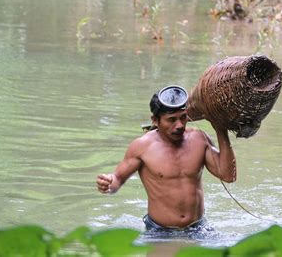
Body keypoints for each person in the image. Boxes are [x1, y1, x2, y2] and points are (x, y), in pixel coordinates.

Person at [96, 85, 236, 236]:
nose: (179, 125)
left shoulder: (199, 139)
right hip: (159, 231)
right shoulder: (142, 146)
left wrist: (221, 129)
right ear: (155, 120)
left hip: (198, 228)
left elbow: (228, 176)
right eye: (171, 120)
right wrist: (109, 183)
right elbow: (118, 178)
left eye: (183, 117)